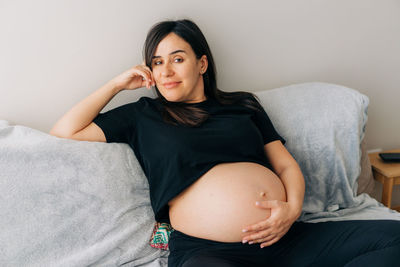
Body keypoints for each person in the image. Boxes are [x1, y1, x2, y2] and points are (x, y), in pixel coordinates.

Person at [50, 19, 400, 267]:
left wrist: (291, 210)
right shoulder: (144, 115)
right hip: (209, 252)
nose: (166, 70)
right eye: (157, 62)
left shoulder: (242, 104)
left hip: (284, 237)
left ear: (202, 63)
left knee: (394, 240)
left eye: (177, 58)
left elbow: (284, 165)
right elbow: (64, 131)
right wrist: (115, 85)